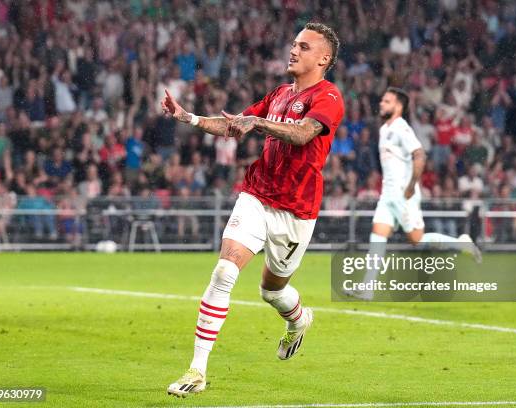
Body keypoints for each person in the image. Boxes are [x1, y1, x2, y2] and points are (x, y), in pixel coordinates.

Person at [161, 22, 344, 396]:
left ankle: (298, 320)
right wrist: (190, 118)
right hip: (258, 194)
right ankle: (197, 371)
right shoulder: (277, 94)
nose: (294, 51)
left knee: (271, 290)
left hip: (296, 210)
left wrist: (257, 122)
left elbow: (305, 133)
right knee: (225, 270)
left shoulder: (328, 97)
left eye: (304, 47)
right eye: (294, 44)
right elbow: (234, 127)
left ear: (324, 58)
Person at [348, 87, 481, 301]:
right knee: (378, 235)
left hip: (403, 192)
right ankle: (367, 288)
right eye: (382, 100)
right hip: (388, 193)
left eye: (387, 101)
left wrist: (411, 185)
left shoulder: (402, 128)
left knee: (416, 239)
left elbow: (419, 155)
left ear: (398, 106)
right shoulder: (384, 129)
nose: (381, 103)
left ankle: (461, 243)